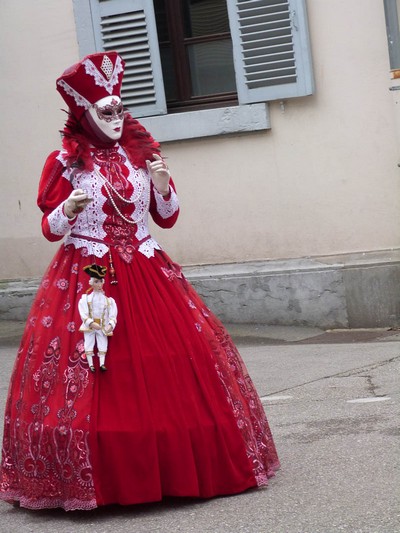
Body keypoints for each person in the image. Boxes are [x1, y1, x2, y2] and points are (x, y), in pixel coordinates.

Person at [0, 52, 279, 511]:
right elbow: (50, 229)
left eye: (118, 108)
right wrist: (67, 210)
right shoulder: (66, 162)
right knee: (94, 364)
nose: (114, 118)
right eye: (103, 111)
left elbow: (166, 218)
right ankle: (103, 474)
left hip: (148, 271)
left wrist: (165, 187)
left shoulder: (140, 155)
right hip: (90, 273)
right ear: (82, 114)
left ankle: (174, 466)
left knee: (171, 363)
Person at [78, 264, 117, 372]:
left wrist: (111, 324)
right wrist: (90, 322)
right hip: (90, 325)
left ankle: (102, 363)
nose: (99, 284)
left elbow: (112, 314)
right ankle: (91, 364)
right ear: (91, 283)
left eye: (100, 281)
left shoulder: (108, 300)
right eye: (96, 281)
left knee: (102, 342)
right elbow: (83, 313)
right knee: (89, 342)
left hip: (102, 325)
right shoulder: (85, 299)